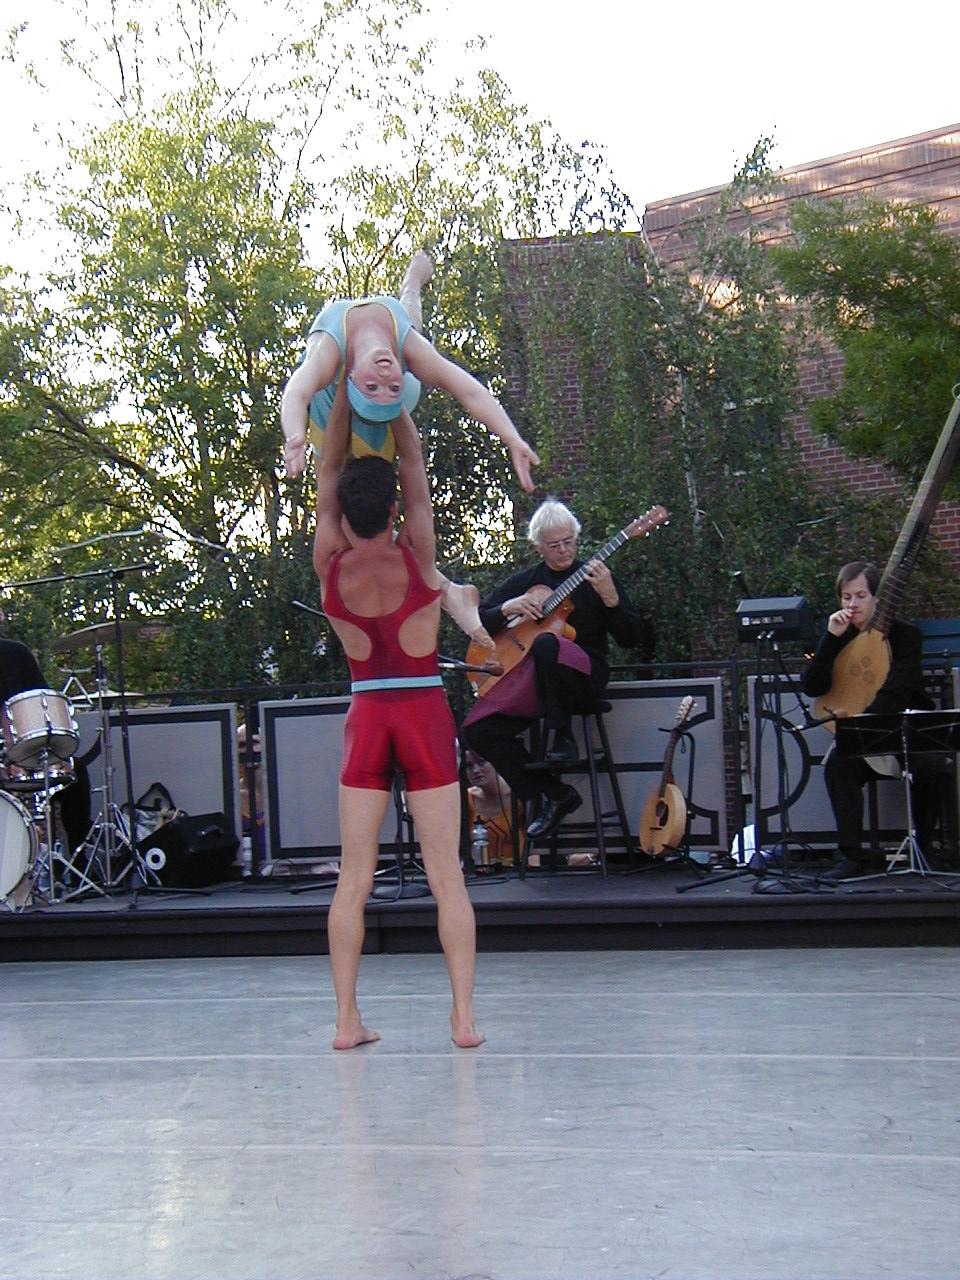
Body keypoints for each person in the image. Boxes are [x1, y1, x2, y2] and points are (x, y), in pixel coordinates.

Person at [313, 380, 484, 1051]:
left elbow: (328, 467)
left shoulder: (329, 565)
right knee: (448, 877)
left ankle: (346, 1022)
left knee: (353, 880)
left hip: (368, 717)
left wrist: (345, 395)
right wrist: (397, 400)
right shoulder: (418, 557)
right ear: (393, 511)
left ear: (339, 513)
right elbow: (412, 466)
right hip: (422, 714)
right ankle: (462, 1020)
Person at [462, 499, 649, 842]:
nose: (564, 550)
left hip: (583, 679)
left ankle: (562, 736)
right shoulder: (526, 581)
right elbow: (477, 621)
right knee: (476, 730)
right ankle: (554, 794)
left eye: (569, 542)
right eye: (554, 545)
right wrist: (508, 607)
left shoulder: (597, 578)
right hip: (536, 685)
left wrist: (611, 600)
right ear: (538, 547)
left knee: (548, 643)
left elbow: (633, 639)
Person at [280, 250, 539, 494]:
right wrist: (512, 438)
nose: (384, 378)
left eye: (372, 387)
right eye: (393, 388)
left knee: (330, 467)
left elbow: (296, 392)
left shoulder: (329, 353)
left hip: (328, 399)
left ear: (352, 377)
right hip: (387, 382)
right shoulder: (410, 350)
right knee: (411, 324)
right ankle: (411, 280)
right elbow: (469, 391)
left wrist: (295, 436)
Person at [801, 560, 942, 879]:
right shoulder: (838, 634)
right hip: (862, 732)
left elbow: (898, 687)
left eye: (861, 596)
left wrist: (866, 723)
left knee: (933, 765)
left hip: (902, 726)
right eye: (846, 597)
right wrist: (830, 640)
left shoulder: (905, 635)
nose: (853, 604)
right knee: (838, 766)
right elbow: (812, 687)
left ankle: (927, 850)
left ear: (877, 598)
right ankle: (850, 857)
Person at [0, 626, 92, 858]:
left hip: (25, 750)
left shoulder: (16, 653)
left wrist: (57, 754)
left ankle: (77, 862)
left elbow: (42, 708)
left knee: (76, 771)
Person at [465, 749, 521, 870]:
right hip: (480, 873)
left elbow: (534, 849)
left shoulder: (519, 797)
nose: (475, 770)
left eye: (481, 762)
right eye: (469, 766)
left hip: (516, 872)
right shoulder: (466, 799)